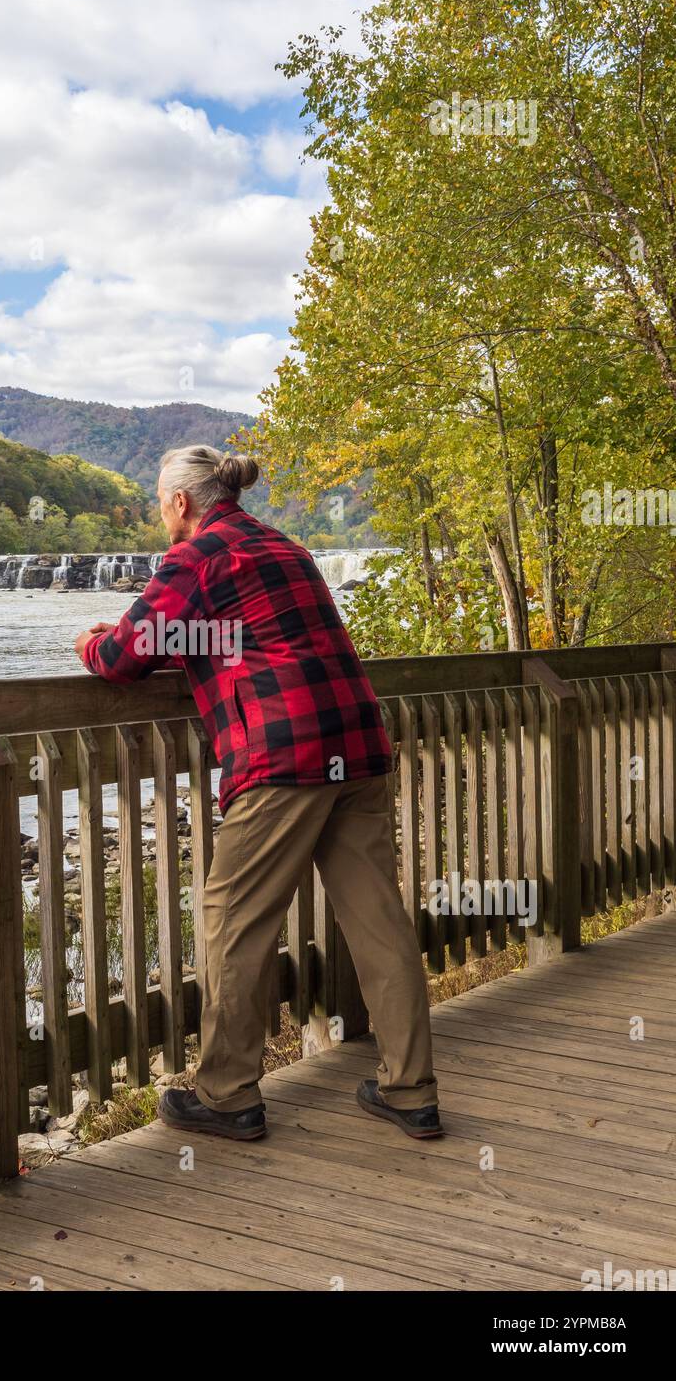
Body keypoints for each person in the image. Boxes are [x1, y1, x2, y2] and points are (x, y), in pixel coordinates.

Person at [74, 444, 440, 1141]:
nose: (160, 513)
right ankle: (410, 1090)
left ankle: (227, 1093)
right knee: (379, 923)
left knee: (235, 920)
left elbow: (124, 659)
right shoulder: (288, 549)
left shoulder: (195, 559)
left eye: (159, 502)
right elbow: (248, 635)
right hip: (357, 747)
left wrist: (88, 644)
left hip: (283, 758)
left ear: (180, 502)